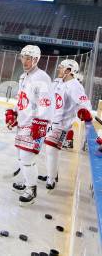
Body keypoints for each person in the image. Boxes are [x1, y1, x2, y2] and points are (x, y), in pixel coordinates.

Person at [5, 45, 53, 206]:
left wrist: (40, 123)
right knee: (20, 156)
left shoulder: (42, 77)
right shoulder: (23, 77)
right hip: (23, 122)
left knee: (27, 157)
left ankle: (31, 189)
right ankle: (26, 182)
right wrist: (14, 113)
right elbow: (21, 99)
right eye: (23, 57)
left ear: (36, 59)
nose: (25, 61)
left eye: (29, 58)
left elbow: (46, 103)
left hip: (34, 124)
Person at [43, 59, 93, 191]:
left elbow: (84, 103)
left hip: (62, 124)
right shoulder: (58, 81)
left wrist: (84, 111)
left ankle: (51, 179)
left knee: (51, 150)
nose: (59, 69)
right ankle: (51, 173)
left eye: (61, 67)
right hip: (51, 121)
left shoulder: (75, 86)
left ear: (69, 71)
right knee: (49, 151)